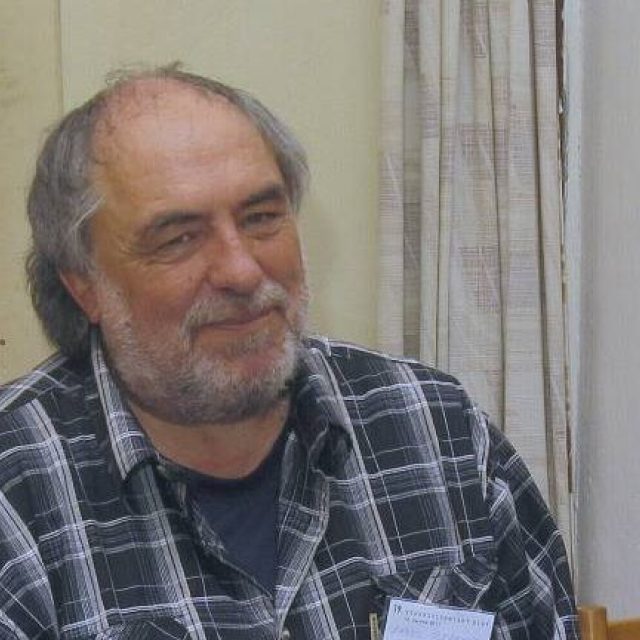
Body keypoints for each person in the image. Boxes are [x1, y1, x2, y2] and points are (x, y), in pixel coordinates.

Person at [0, 65, 579, 639]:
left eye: (261, 218)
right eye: (179, 238)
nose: (241, 271)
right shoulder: (16, 495)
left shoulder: (436, 427)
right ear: (85, 285)